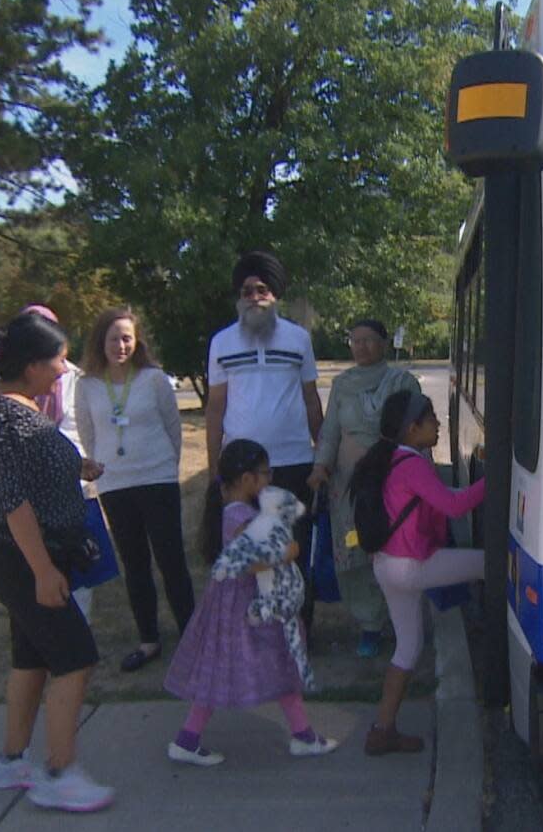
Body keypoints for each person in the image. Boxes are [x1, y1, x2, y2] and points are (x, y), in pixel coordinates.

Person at [0, 313, 113, 812]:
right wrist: (44, 572)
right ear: (31, 365)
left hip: (30, 557)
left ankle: (10, 762)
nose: (63, 366)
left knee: (31, 661)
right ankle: (58, 772)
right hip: (25, 559)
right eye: (57, 357)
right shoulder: (1, 419)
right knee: (76, 659)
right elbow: (14, 504)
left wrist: (76, 466)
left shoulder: (16, 408)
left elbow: (34, 464)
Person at [164, 439, 338, 765]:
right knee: (278, 660)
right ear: (247, 479)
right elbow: (251, 560)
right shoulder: (239, 516)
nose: (269, 479)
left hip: (239, 604)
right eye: (265, 473)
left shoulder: (233, 512)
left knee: (263, 663)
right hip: (246, 606)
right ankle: (301, 736)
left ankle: (190, 738)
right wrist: (288, 552)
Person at [348, 390, 485, 756]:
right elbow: (454, 505)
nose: (439, 423)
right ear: (412, 428)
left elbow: (442, 496)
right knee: (492, 563)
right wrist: (496, 479)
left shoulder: (389, 459)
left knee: (407, 646)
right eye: (432, 419)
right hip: (412, 567)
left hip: (385, 566)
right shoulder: (413, 464)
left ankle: (382, 731)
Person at [206, 250, 323, 634]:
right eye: (247, 291)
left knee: (293, 550)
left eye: (262, 290)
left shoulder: (298, 338)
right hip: (242, 469)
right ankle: (255, 630)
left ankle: (299, 629)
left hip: (292, 461)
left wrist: (321, 455)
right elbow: (215, 408)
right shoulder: (221, 342)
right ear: (239, 298)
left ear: (275, 295)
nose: (254, 296)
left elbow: (310, 398)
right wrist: (213, 469)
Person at [76, 307, 193, 672]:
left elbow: (173, 429)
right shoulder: (87, 384)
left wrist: (165, 468)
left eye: (127, 337)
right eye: (114, 338)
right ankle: (149, 639)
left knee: (171, 560)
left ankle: (191, 636)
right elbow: (88, 434)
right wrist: (105, 466)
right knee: (135, 563)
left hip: (157, 478)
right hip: (115, 483)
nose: (121, 345)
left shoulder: (154, 379)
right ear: (101, 342)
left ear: (137, 340)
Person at [309, 318, 419, 657]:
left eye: (369, 340)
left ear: (384, 343)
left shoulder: (401, 381)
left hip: (390, 483)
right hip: (347, 488)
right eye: (355, 341)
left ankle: (401, 621)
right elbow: (330, 432)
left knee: (390, 550)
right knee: (354, 552)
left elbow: (417, 431)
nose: (362, 347)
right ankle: (369, 624)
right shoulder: (343, 385)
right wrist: (321, 466)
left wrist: (419, 476)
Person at [19, 304, 100, 622]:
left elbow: (85, 428)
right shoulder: (9, 382)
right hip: (30, 489)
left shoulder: (75, 378)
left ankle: (80, 618)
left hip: (73, 484)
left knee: (78, 553)